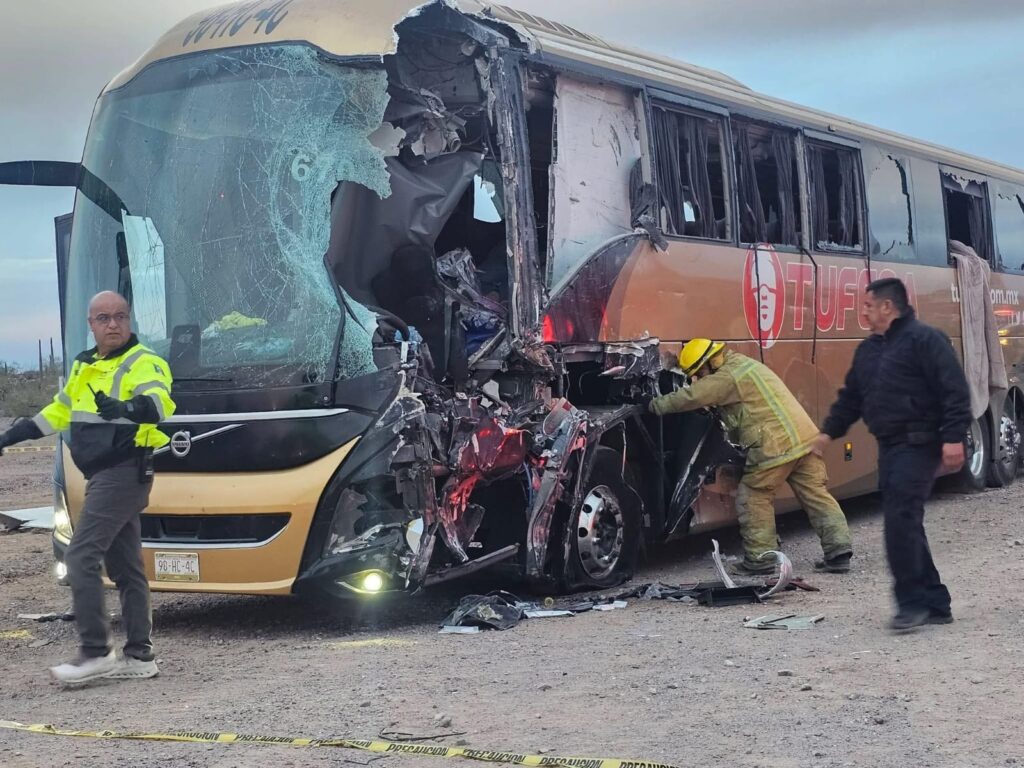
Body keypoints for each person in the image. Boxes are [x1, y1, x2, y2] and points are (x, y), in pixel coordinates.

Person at [0, 292, 175, 683]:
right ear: (91, 325)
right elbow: (56, 413)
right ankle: (140, 656)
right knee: (127, 567)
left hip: (123, 472)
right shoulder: (84, 367)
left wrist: (129, 408)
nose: (113, 324)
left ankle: (96, 652)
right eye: (103, 318)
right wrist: (9, 437)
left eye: (120, 316)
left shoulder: (142, 361)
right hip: (103, 475)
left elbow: (160, 403)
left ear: (129, 321)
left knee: (79, 557)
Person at [813, 278, 970, 632]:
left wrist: (953, 438)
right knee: (907, 519)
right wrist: (827, 433)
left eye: (867, 305)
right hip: (890, 445)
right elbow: (851, 398)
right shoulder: (869, 350)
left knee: (899, 518)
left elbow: (954, 391)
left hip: (922, 442)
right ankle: (935, 601)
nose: (862, 312)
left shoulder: (925, 340)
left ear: (887, 307)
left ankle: (910, 603)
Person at [649, 339, 853, 575]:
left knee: (753, 495)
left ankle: (761, 559)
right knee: (816, 495)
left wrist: (654, 405)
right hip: (804, 439)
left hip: (775, 445)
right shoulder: (744, 365)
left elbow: (691, 397)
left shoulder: (726, 377)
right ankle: (838, 551)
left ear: (709, 362)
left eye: (699, 373)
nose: (698, 379)